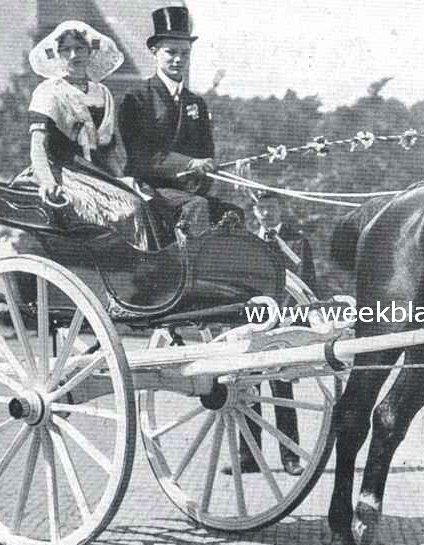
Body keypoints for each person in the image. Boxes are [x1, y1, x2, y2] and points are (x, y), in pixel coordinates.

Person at [24, 20, 157, 250]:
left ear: (89, 52)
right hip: (62, 172)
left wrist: (120, 178)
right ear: (58, 54)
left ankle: (146, 262)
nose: (74, 55)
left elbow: (110, 147)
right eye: (66, 50)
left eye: (80, 48)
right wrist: (47, 181)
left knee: (148, 199)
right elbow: (38, 145)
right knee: (128, 208)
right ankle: (127, 259)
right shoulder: (49, 92)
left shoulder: (101, 92)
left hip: (96, 170)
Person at [224, 194, 315, 477]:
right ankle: (249, 457)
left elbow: (307, 284)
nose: (266, 212)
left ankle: (290, 458)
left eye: (272, 207)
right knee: (247, 390)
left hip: (285, 321)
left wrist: (297, 322)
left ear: (280, 209)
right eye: (261, 207)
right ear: (255, 211)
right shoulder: (247, 242)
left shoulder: (297, 241)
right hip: (253, 321)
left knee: (282, 392)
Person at [118, 6, 218, 238]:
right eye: (171, 52)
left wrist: (203, 174)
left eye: (184, 53)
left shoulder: (196, 103)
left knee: (231, 214)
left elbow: (207, 152)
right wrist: (191, 163)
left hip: (187, 192)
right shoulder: (137, 98)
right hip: (147, 189)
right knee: (197, 207)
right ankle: (191, 271)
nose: (178, 59)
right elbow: (142, 156)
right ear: (154, 51)